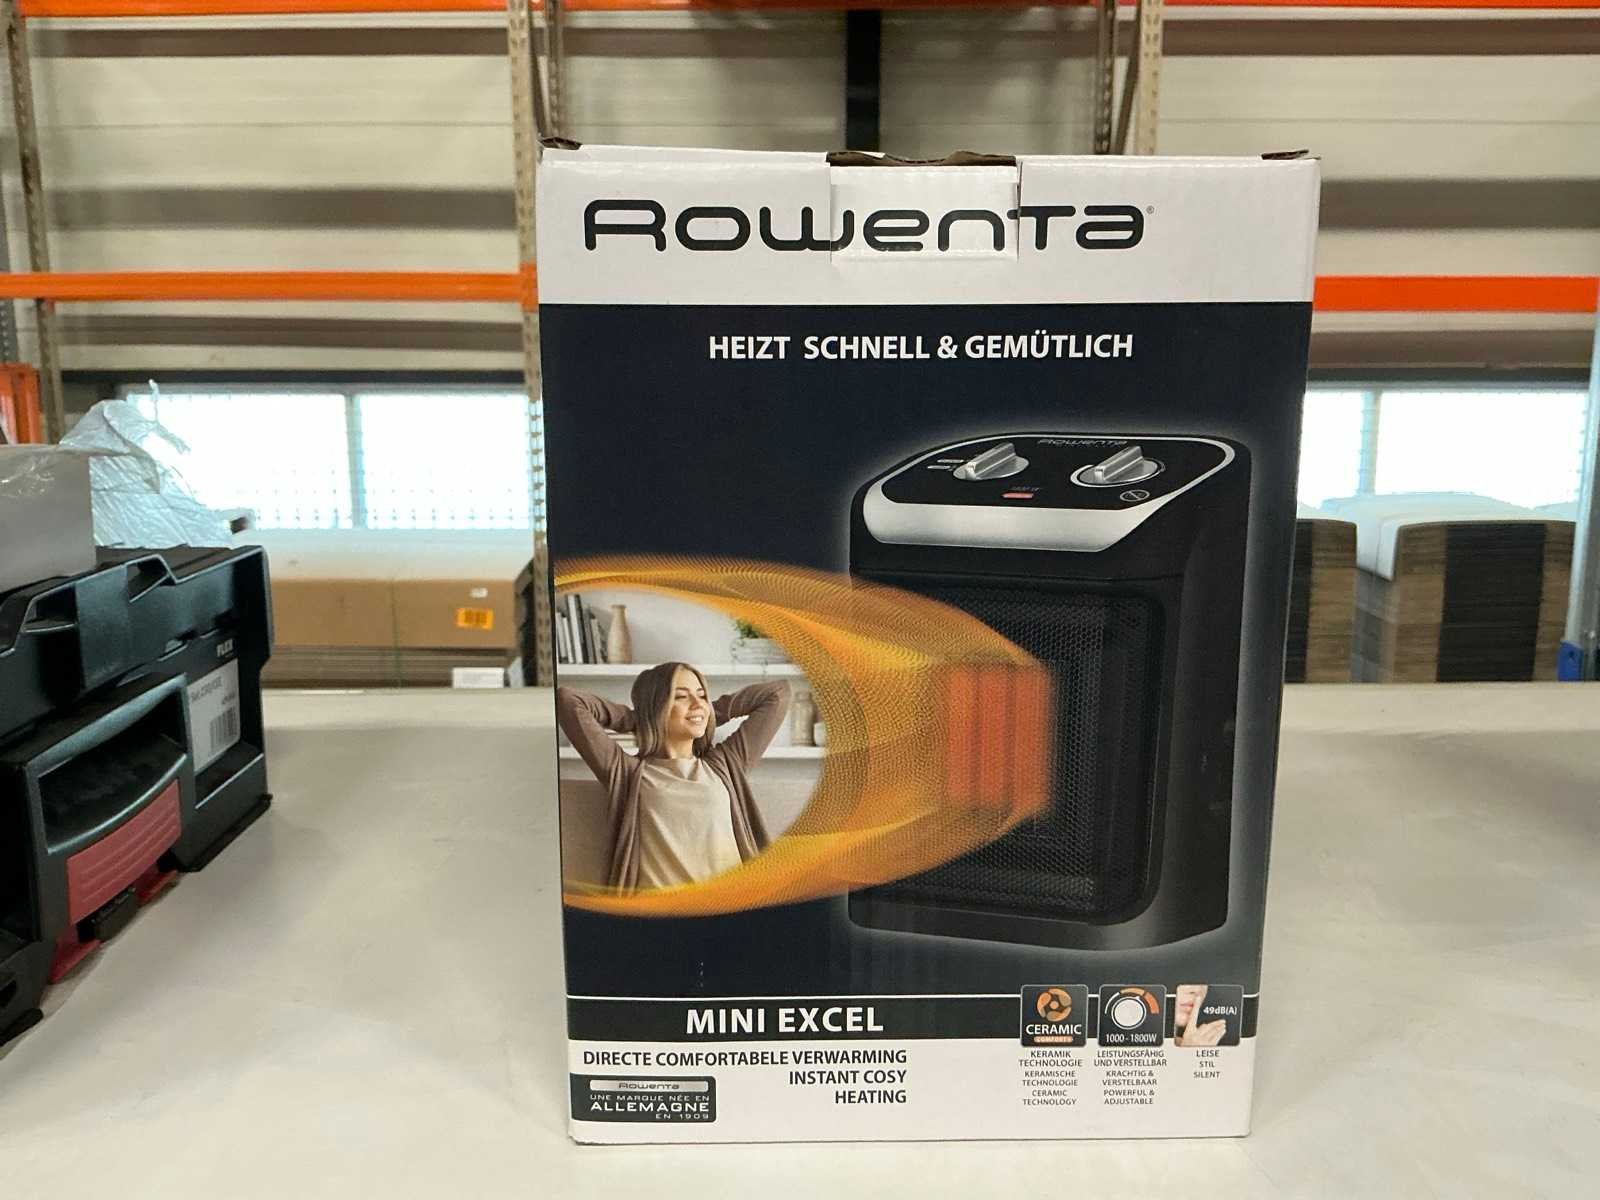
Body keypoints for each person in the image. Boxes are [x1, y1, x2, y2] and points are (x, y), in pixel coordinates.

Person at [556, 662, 791, 892]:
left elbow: (778, 694)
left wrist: (707, 713)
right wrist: (640, 718)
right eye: (681, 697)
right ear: (657, 707)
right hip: (659, 910)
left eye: (701, 695)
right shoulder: (627, 772)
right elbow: (568, 700)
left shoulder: (726, 763)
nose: (697, 703)